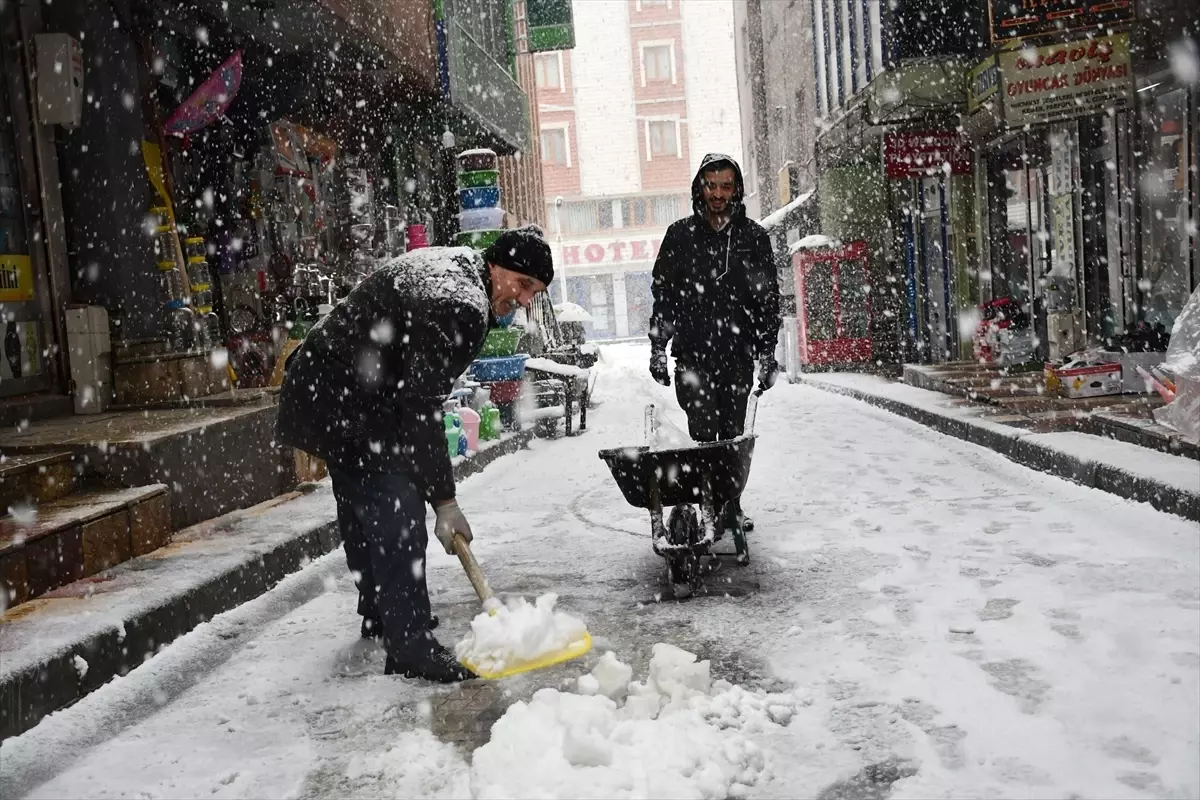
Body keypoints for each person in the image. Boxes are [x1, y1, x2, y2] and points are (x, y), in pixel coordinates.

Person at [276, 227, 553, 682]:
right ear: (496, 265)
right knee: (396, 505)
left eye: (534, 293)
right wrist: (445, 500)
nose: (523, 300)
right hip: (345, 395)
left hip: (323, 388)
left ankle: (380, 614)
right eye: (522, 284)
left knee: (361, 494)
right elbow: (421, 407)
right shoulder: (462, 304)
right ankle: (410, 647)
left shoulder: (463, 271)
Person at [648, 153, 781, 546]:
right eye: (711, 185)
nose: (718, 193)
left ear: (736, 189)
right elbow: (664, 298)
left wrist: (767, 353)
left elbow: (767, 302)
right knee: (704, 435)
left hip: (737, 357)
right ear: (700, 188)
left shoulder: (753, 238)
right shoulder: (680, 236)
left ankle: (731, 505)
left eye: (726, 185)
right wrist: (658, 349)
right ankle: (710, 504)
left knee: (732, 437)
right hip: (692, 356)